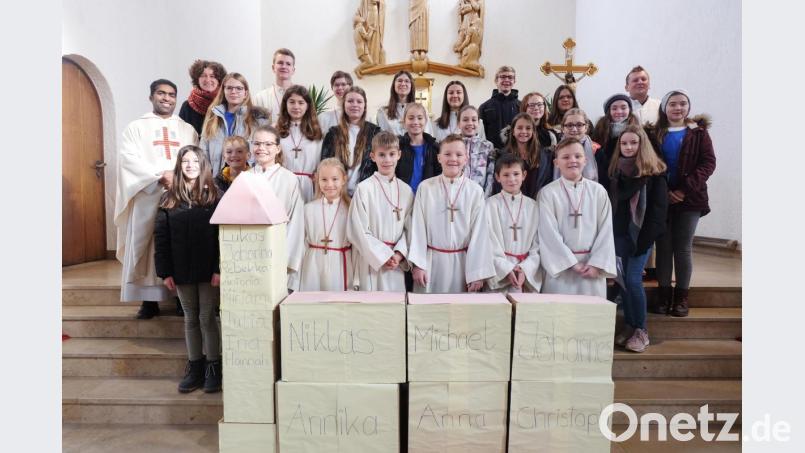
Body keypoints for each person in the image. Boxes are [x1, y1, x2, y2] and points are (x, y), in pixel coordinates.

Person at [114, 79, 198, 319]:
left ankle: (182, 299)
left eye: (171, 94)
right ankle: (148, 301)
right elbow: (128, 160)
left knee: (180, 244)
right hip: (148, 193)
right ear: (151, 96)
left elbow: (195, 159)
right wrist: (159, 176)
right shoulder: (136, 128)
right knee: (146, 245)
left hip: (181, 194)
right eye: (161, 93)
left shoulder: (187, 129)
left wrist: (178, 179)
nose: (166, 98)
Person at [153, 146, 222, 393]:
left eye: (195, 160)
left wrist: (218, 268)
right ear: (179, 166)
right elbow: (161, 237)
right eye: (185, 161)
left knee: (206, 317)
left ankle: (214, 365)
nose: (190, 165)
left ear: (203, 164)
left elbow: (221, 237)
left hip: (208, 269)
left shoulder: (216, 196)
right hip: (181, 268)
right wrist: (165, 272)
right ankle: (195, 365)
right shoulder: (169, 198)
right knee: (190, 317)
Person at [647, 90, 716, 317]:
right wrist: (665, 191)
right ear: (664, 108)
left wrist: (683, 191)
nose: (678, 108)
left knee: (683, 247)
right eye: (673, 104)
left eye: (683, 104)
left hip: (690, 198)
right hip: (662, 198)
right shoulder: (654, 133)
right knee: (664, 247)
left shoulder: (698, 133)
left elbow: (707, 163)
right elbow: (650, 163)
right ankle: (664, 294)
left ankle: (682, 297)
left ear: (688, 107)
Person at [607, 125, 668, 352]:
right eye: (624, 143)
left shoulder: (654, 175)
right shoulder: (617, 174)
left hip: (641, 237)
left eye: (633, 143)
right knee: (622, 283)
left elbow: (658, 214)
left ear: (642, 145)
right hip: (620, 236)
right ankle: (630, 325)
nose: (629, 147)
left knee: (633, 280)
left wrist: (643, 242)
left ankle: (642, 330)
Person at [408, 135, 495, 293]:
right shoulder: (426, 188)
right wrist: (418, 264)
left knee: (459, 313)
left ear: (466, 159)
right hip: (431, 262)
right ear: (439, 158)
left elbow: (480, 233)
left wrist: (477, 273)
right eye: (447, 154)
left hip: (462, 264)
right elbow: (418, 228)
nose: (453, 159)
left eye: (459, 154)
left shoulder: (475, 191)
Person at [537, 138, 616, 298]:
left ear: (585, 160)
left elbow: (606, 231)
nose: (572, 160)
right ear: (556, 163)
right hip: (560, 270)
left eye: (577, 156)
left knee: (590, 318)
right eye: (565, 157)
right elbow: (548, 233)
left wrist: (597, 264)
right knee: (558, 317)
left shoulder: (598, 191)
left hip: (591, 267)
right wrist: (571, 263)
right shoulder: (547, 193)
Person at [347, 132, 414, 292]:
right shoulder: (364, 188)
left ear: (399, 155)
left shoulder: (406, 190)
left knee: (394, 309)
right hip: (371, 261)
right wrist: (383, 256)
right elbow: (358, 230)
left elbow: (410, 229)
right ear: (372, 156)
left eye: (392, 154)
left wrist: (398, 254)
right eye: (382, 155)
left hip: (395, 263)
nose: (387, 160)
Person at [250, 125, 305, 291]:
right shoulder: (245, 178)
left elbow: (296, 222)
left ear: (278, 148)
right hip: (250, 253)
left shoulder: (289, 180)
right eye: (257, 143)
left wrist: (287, 260)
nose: (262, 148)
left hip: (279, 252)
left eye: (268, 144)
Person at [486, 153, 542, 293]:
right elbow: (487, 241)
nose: (512, 179)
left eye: (516, 174)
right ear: (497, 177)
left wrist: (525, 268)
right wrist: (505, 268)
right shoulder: (489, 205)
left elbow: (538, 243)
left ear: (524, 175)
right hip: (498, 272)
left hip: (526, 272)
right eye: (506, 175)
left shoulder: (533, 206)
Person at [199, 73, 269, 177]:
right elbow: (203, 152)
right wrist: (207, 179)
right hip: (216, 181)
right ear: (223, 91)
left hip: (248, 180)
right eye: (229, 88)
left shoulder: (257, 120)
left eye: (239, 88)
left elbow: (264, 154)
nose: (234, 91)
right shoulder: (213, 117)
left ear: (245, 93)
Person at [300, 158, 354, 291]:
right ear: (317, 180)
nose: (329, 184)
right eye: (324, 179)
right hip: (313, 264)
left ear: (344, 180)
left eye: (335, 179)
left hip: (340, 263)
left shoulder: (351, 209)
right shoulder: (308, 209)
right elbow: (301, 243)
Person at [321, 86, 381, 196]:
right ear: (344, 105)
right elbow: (325, 166)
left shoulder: (374, 132)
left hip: (365, 192)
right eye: (350, 101)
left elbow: (379, 165)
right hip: (338, 193)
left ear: (364, 106)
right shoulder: (333, 133)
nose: (355, 105)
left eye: (359, 101)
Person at [277, 85, 323, 202]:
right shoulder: (275, 130)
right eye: (292, 102)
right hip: (283, 184)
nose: (296, 106)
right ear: (285, 104)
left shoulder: (318, 132)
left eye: (301, 102)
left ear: (307, 106)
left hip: (309, 186)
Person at [492, 113, 553, 199]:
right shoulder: (502, 156)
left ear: (533, 132)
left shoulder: (544, 156)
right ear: (513, 131)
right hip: (511, 204)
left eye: (528, 128)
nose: (524, 131)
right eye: (519, 128)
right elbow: (498, 185)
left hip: (537, 205)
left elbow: (547, 182)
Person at [591, 93, 640, 190]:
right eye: (614, 108)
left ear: (629, 110)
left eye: (623, 108)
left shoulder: (638, 130)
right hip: (605, 177)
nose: (619, 111)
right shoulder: (600, 130)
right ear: (608, 111)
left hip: (631, 178)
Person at [396, 102, 440, 193]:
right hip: (403, 198)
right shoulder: (397, 146)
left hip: (427, 197)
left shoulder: (435, 148)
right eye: (411, 118)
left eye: (420, 118)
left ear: (426, 120)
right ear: (404, 121)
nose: (415, 122)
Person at [376, 70, 433, 136]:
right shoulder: (383, 112)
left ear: (411, 86)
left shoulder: (422, 111)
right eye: (399, 81)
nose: (403, 84)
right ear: (394, 85)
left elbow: (428, 135)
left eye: (407, 81)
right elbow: (380, 138)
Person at [178, 60, 226, 135]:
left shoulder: (226, 103)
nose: (207, 79)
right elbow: (181, 135)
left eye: (212, 76)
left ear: (219, 80)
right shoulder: (187, 106)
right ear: (197, 80)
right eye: (203, 75)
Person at [479, 65, 520, 149]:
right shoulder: (484, 107)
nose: (507, 80)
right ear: (496, 80)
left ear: (514, 81)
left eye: (510, 77)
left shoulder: (521, 106)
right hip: (492, 154)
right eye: (503, 77)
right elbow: (481, 135)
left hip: (516, 153)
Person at [253, 48, 296, 124]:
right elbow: (255, 126)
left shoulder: (302, 97)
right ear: (273, 68)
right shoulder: (261, 97)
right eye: (280, 63)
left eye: (288, 64)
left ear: (293, 70)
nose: (284, 66)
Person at [458, 105, 494, 195]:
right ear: (458, 123)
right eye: (465, 120)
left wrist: (485, 198)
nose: (470, 123)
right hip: (457, 197)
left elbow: (491, 175)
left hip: (480, 197)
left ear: (478, 122)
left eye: (474, 120)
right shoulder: (453, 145)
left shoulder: (487, 146)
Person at [558, 108, 599, 182]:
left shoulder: (597, 151)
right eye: (569, 125)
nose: (574, 129)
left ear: (586, 127)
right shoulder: (554, 151)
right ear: (563, 128)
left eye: (579, 125)